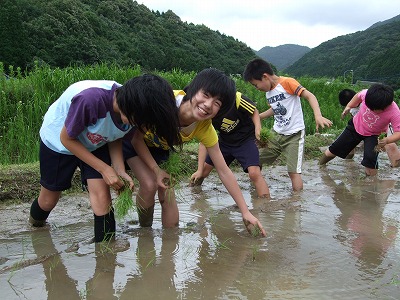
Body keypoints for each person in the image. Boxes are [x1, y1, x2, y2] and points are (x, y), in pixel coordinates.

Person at [29, 75, 182, 243]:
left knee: (103, 198)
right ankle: (34, 227)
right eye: (144, 122)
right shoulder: (90, 100)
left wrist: (118, 169)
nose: (143, 128)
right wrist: (104, 168)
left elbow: (116, 135)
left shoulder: (133, 107)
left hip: (96, 140)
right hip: (60, 142)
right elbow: (67, 139)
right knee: (48, 200)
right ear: (133, 108)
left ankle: (106, 255)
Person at [123, 68, 266, 236]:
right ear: (192, 90)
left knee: (168, 192)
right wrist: (155, 170)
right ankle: (144, 231)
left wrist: (245, 211)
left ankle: (170, 244)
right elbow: (136, 140)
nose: (208, 105)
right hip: (132, 142)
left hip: (160, 149)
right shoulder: (164, 102)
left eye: (217, 103)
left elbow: (223, 170)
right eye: (205, 95)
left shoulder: (204, 128)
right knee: (149, 184)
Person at [243, 58, 332, 191]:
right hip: (276, 134)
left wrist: (318, 116)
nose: (257, 88)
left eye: (256, 85)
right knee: (256, 159)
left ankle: (295, 204)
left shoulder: (287, 82)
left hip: (294, 135)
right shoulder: (269, 92)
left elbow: (310, 96)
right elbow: (276, 108)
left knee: (293, 172)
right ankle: (256, 187)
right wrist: (259, 117)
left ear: (265, 77)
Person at [189, 91, 270, 198]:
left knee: (254, 173)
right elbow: (204, 143)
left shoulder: (236, 98)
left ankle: (266, 204)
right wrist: (199, 170)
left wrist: (258, 130)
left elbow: (254, 111)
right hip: (225, 143)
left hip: (246, 140)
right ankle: (192, 194)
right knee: (203, 171)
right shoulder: (206, 111)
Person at [319, 83, 400, 175]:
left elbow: (398, 133)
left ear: (385, 106)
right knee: (334, 149)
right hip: (355, 126)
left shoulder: (395, 112)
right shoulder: (366, 94)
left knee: (370, 161)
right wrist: (349, 106)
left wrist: (387, 140)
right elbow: (357, 96)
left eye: (375, 109)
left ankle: (371, 184)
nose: (372, 110)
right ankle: (320, 166)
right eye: (369, 107)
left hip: (373, 135)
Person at [338, 88, 400, 166]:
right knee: (387, 145)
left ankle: (396, 167)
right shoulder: (366, 100)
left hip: (383, 127)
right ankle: (395, 169)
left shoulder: (366, 103)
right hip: (371, 129)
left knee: (389, 145)